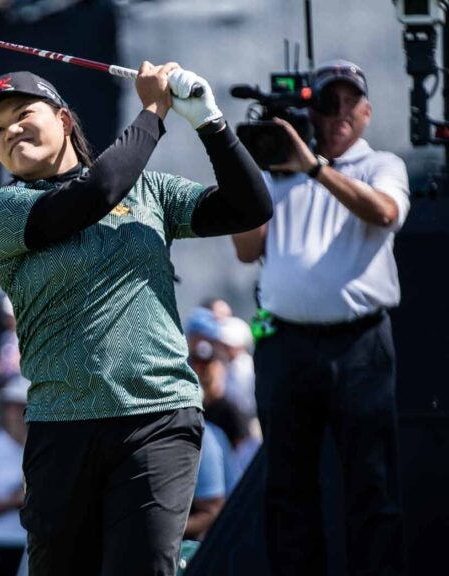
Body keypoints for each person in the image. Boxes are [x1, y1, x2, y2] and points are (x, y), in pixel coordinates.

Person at [0, 63, 271, 575]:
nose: (9, 133)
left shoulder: (149, 192)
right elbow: (94, 195)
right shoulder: (2, 209)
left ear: (64, 120)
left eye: (22, 115)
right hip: (61, 428)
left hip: (157, 418)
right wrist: (154, 109)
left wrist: (210, 123)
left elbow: (249, 206)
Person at [231, 59, 408, 575]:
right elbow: (248, 251)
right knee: (287, 485)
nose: (335, 114)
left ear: (366, 111)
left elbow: (384, 213)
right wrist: (244, 176)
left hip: (359, 345)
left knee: (371, 483)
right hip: (285, 344)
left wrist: (313, 167)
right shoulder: (278, 172)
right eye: (324, 103)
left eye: (345, 102)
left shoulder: (381, 166)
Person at [0, 376, 29, 576]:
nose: (20, 415)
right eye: (16, 408)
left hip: (30, 544)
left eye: (26, 408)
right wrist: (18, 499)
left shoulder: (43, 451)